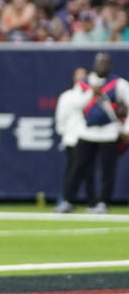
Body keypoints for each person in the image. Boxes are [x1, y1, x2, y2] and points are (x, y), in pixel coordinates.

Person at [61, 53, 129, 214]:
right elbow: (76, 105)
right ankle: (68, 200)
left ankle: (102, 202)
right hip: (87, 132)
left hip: (109, 132)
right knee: (78, 167)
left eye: (106, 63)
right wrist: (92, 93)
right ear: (94, 65)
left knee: (107, 170)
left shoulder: (118, 84)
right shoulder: (84, 84)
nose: (102, 66)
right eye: (100, 63)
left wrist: (126, 130)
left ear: (111, 66)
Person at [54, 67, 91, 212]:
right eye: (78, 75)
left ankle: (93, 202)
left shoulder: (94, 94)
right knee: (72, 171)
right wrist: (63, 133)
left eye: (84, 75)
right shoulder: (67, 96)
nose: (81, 78)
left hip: (89, 138)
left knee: (89, 173)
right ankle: (67, 200)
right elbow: (60, 117)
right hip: (72, 139)